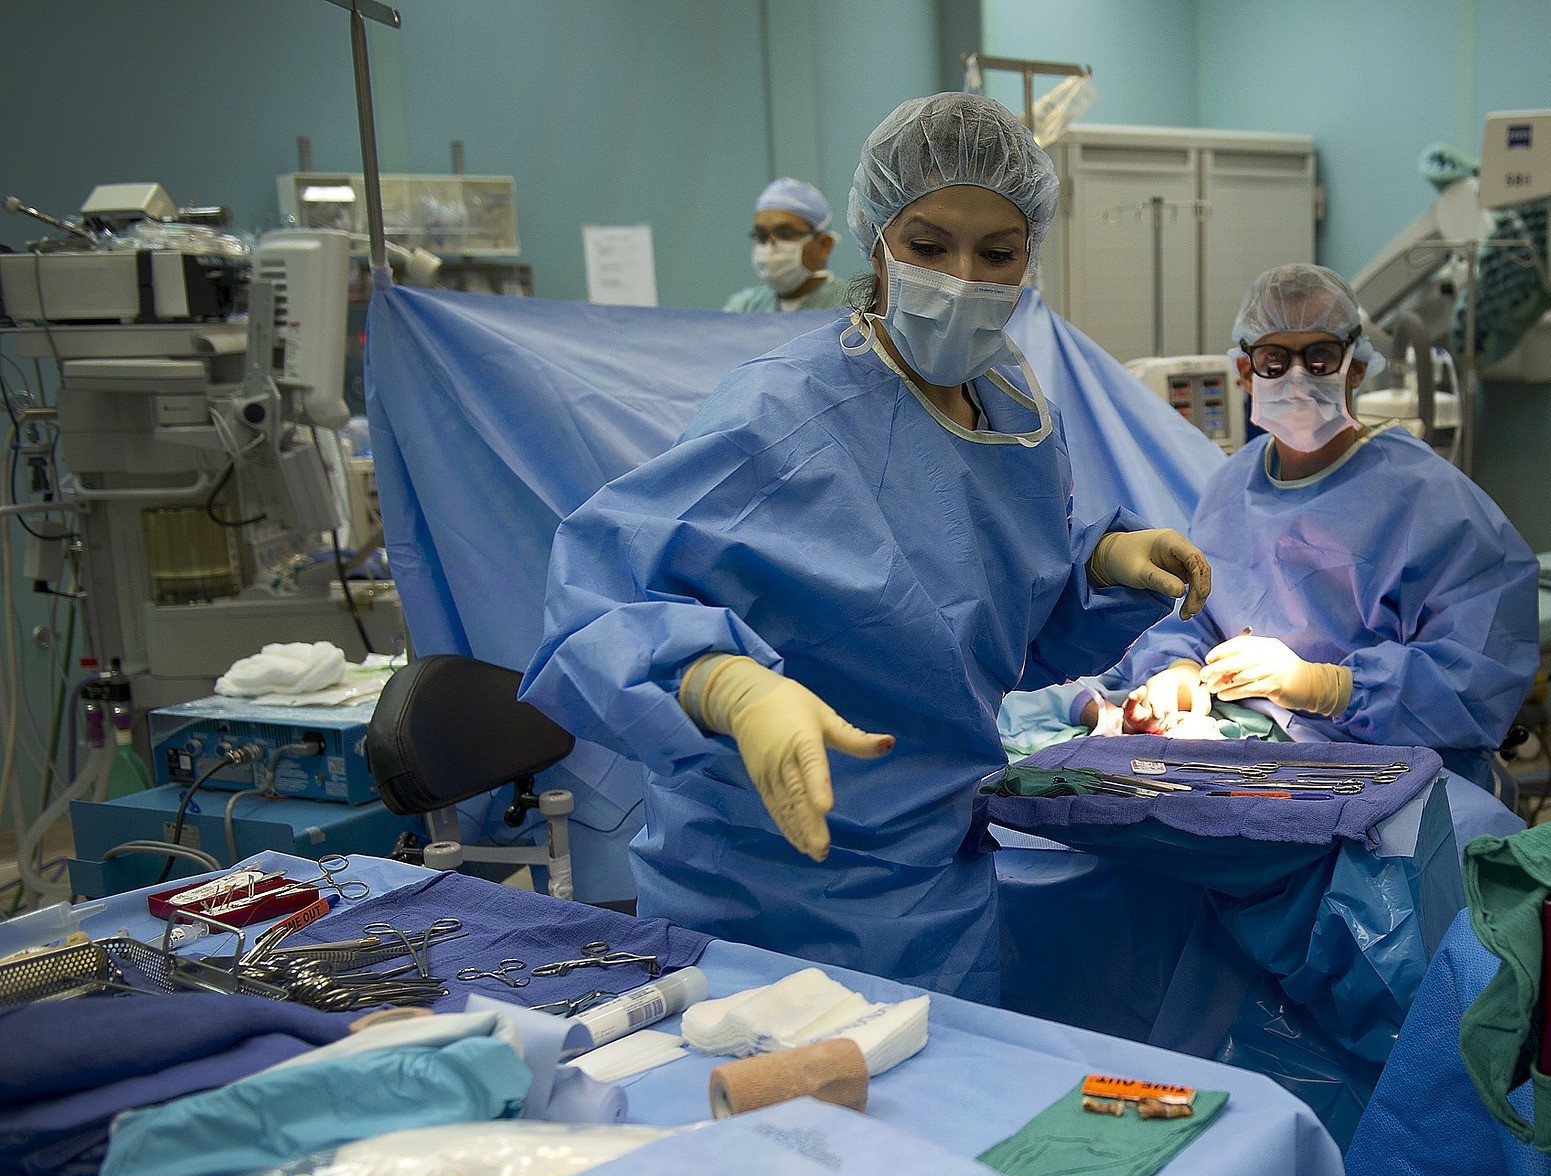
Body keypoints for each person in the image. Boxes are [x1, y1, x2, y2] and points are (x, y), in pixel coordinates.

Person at [521, 93, 1209, 1004]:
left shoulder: (1009, 406)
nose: (962, 278)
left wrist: (1102, 563)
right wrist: (727, 685)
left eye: (996, 253)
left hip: (935, 874)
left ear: (1030, 253)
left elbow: (988, 619)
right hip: (765, 887)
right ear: (874, 240)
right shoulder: (785, 413)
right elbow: (599, 600)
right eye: (928, 247)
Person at [1091, 263, 1537, 826]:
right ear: (1244, 374)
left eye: (1320, 357)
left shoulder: (1428, 500)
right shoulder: (1235, 484)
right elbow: (1194, 613)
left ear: (1357, 368)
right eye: (1275, 360)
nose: (1298, 378)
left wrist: (1325, 686)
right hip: (1250, 750)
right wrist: (1179, 671)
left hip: (1393, 768)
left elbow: (1479, 673)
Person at [723, 177, 853, 313]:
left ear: (823, 245)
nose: (769, 247)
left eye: (784, 234)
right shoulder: (744, 308)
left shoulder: (854, 306)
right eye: (762, 235)